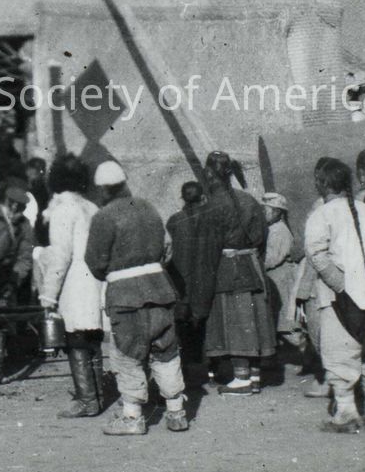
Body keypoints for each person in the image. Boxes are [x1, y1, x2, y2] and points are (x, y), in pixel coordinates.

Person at [83, 160, 188, 435]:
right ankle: (176, 412)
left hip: (125, 295)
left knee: (127, 353)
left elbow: (95, 261)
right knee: (166, 350)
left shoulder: (103, 217)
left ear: (102, 189)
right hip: (160, 288)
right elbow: (167, 248)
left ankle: (132, 418)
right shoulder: (148, 208)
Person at [302, 156, 365, 433]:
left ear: (322, 184)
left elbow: (316, 254)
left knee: (340, 351)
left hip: (338, 298)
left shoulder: (321, 215)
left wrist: (342, 285)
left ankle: (346, 412)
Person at [188, 151, 271, 394]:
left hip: (227, 272)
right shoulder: (249, 200)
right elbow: (262, 237)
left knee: (236, 323)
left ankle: (242, 379)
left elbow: (206, 251)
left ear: (209, 173)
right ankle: (254, 377)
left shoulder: (212, 206)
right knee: (252, 322)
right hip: (252, 268)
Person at [38, 154, 109, 419]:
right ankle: (98, 395)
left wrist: (48, 294)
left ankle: (86, 399)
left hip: (75, 282)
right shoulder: (91, 206)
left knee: (76, 339)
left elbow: (61, 255)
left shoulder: (62, 209)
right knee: (92, 338)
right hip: (95, 279)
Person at [261, 192, 323, 396]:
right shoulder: (272, 229)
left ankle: (311, 357)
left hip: (281, 278)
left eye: (268, 210)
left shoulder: (279, 232)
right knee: (279, 322)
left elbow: (272, 258)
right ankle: (305, 358)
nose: (264, 213)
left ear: (278, 213)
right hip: (275, 278)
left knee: (289, 326)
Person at [165, 180, 209, 384]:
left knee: (182, 324)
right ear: (202, 197)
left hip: (179, 280)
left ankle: (184, 370)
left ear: (182, 198)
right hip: (204, 280)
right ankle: (209, 369)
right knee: (204, 323)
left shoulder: (175, 220)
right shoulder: (210, 219)